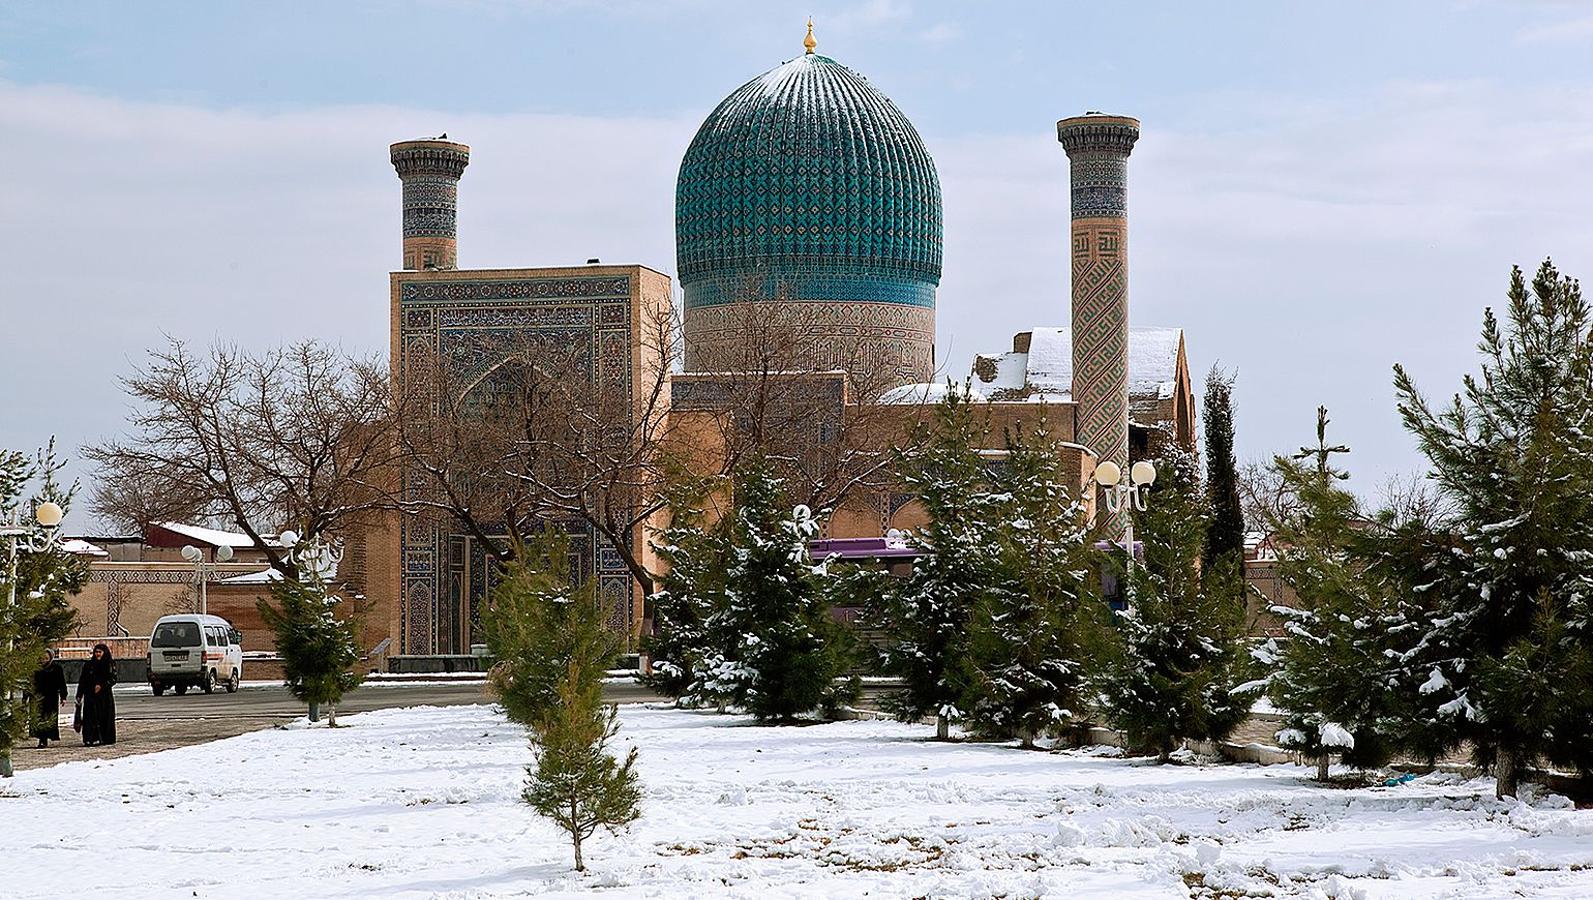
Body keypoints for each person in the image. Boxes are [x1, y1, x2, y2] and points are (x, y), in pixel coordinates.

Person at [77, 643, 117, 747]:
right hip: (90, 695)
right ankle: (90, 738)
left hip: (104, 696)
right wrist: (79, 694)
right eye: (96, 652)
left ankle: (104, 738)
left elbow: (113, 679)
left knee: (104, 717)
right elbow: (83, 680)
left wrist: (102, 686)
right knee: (89, 718)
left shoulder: (109, 664)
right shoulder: (89, 665)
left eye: (100, 652)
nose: (98, 654)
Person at [30, 650, 69, 748]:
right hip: (37, 697)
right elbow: (30, 683)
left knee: (48, 717)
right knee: (38, 717)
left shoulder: (56, 668)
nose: (44, 660)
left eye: (46, 658)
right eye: (42, 658)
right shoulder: (35, 668)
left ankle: (45, 738)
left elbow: (61, 683)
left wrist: (63, 696)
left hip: (51, 697)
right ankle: (41, 738)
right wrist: (26, 696)